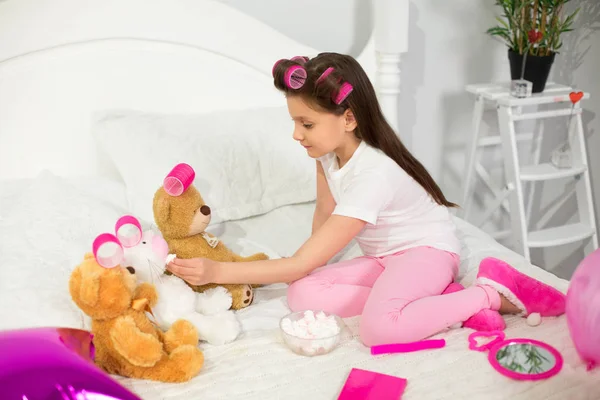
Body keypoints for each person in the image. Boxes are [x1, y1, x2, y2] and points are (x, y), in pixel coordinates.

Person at [167, 53, 566, 346]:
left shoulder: (373, 174)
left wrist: (217, 271)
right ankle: (434, 300)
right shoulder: (327, 155)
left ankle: (487, 294)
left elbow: (301, 262)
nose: (296, 134)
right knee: (301, 293)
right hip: (385, 257)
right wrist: (306, 262)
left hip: (425, 253)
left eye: (306, 124)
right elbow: (323, 215)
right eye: (294, 122)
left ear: (349, 118)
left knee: (379, 330)